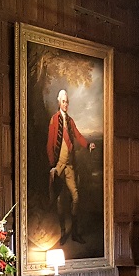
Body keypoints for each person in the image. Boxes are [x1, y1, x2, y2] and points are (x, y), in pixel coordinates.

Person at [46, 89, 95, 244]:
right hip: (59, 166)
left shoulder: (70, 120)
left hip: (70, 166)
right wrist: (52, 165)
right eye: (63, 101)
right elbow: (50, 143)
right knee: (60, 201)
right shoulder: (54, 119)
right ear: (59, 102)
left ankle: (74, 232)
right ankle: (62, 233)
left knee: (76, 197)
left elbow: (78, 135)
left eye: (67, 102)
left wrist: (88, 145)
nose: (66, 104)